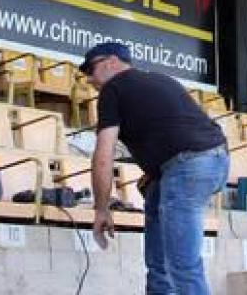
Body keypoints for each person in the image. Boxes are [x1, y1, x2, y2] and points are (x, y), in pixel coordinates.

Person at [80, 41, 229, 295]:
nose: (90, 80)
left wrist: (102, 209)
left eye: (91, 70)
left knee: (182, 266)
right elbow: (181, 128)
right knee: (155, 196)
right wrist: (155, 172)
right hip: (215, 160)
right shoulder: (162, 80)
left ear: (111, 62)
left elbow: (103, 156)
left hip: (188, 167)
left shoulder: (112, 89)